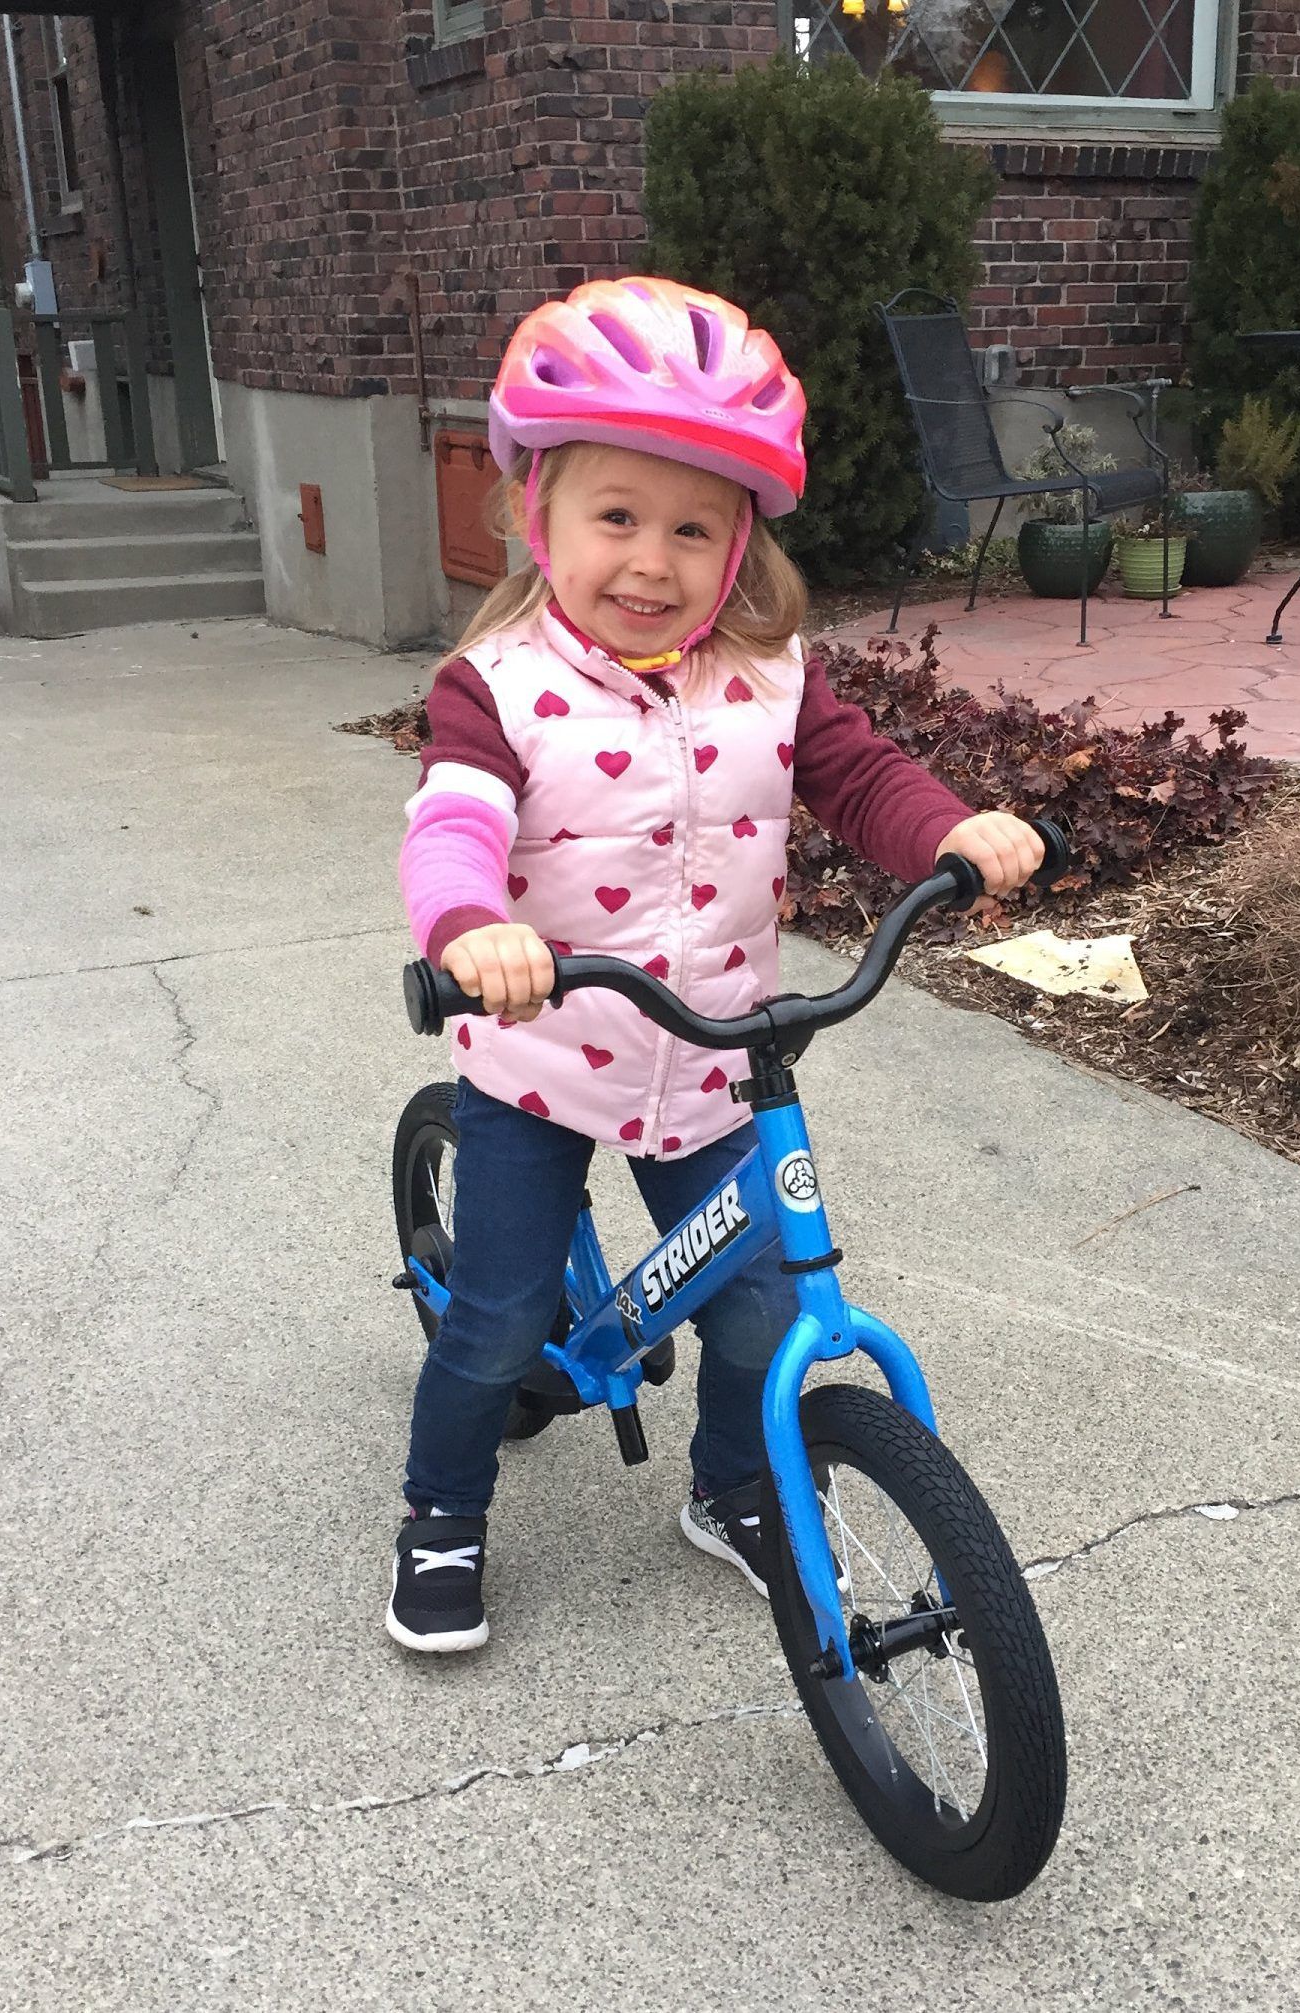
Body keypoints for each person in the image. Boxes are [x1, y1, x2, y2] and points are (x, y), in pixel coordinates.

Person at [390, 276, 1045, 1652]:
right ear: (542, 515)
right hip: (541, 1057)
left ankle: (733, 1483)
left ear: (741, 540)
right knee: (498, 1324)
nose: (653, 558)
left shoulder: (769, 671)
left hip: (713, 1054)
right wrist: (471, 930)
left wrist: (949, 829)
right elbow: (453, 820)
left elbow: (855, 776)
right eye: (615, 515)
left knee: (757, 1306)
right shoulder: (498, 682)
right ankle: (441, 1512)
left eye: (694, 527)